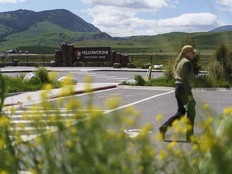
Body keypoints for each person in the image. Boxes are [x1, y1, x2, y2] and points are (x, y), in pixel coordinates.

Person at [159, 45, 196, 141]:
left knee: (181, 112)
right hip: (183, 89)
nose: (194, 54)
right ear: (187, 53)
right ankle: (190, 136)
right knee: (191, 112)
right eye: (192, 52)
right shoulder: (187, 63)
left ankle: (164, 127)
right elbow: (185, 81)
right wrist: (190, 95)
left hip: (179, 88)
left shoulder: (181, 61)